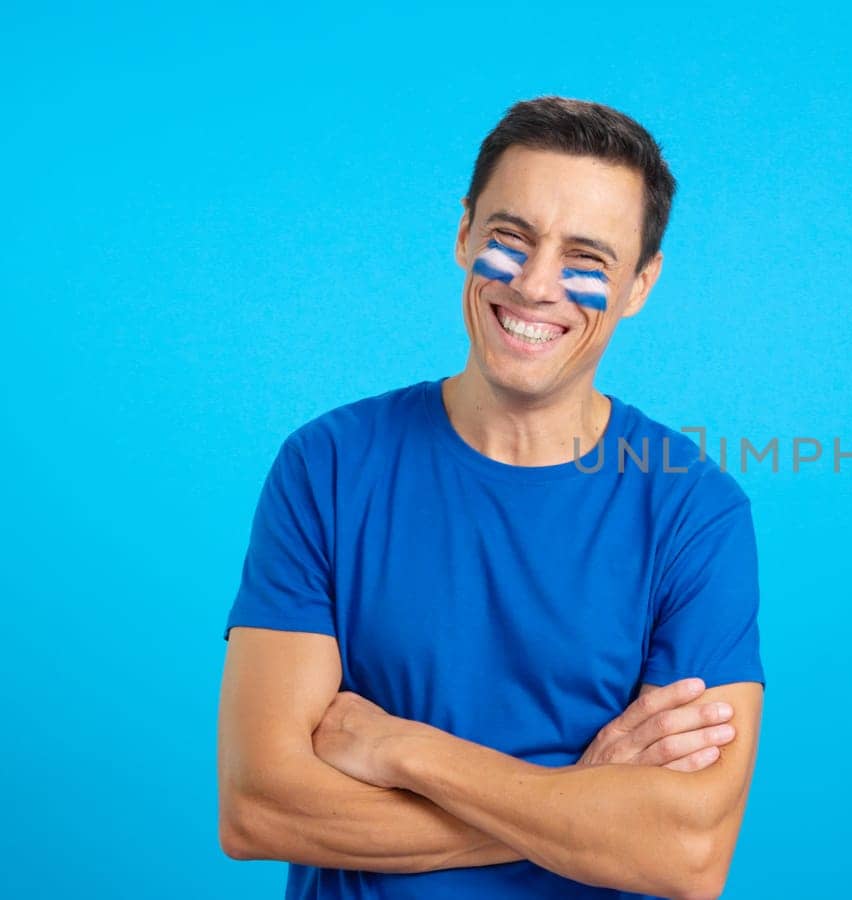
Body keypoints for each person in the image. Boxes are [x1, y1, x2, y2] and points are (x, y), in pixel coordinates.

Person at [216, 96, 766, 900]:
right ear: (465, 231)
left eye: (588, 258)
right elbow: (259, 809)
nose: (538, 285)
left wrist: (406, 751)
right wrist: (583, 797)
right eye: (511, 239)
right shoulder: (328, 465)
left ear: (641, 283)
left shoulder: (694, 510)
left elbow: (686, 854)